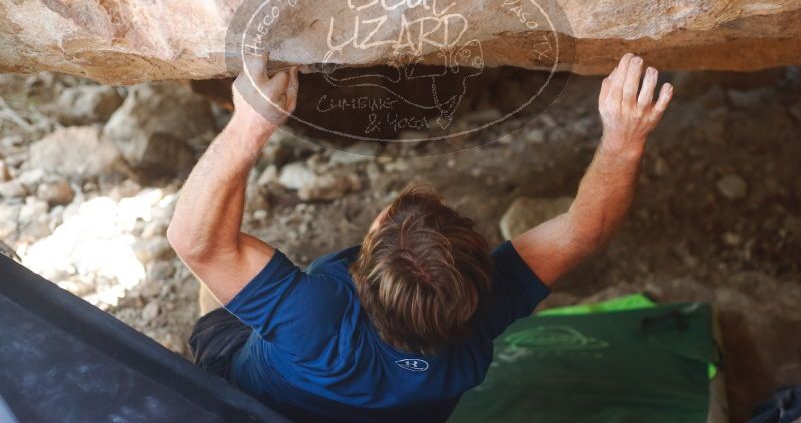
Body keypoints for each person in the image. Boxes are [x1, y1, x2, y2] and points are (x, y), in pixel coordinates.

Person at [167, 53, 673, 422]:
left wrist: (249, 127)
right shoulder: (483, 310)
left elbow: (197, 242)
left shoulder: (317, 318)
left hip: (250, 405)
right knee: (238, 261)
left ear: (357, 273)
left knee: (219, 286)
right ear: (480, 276)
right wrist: (624, 139)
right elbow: (585, 232)